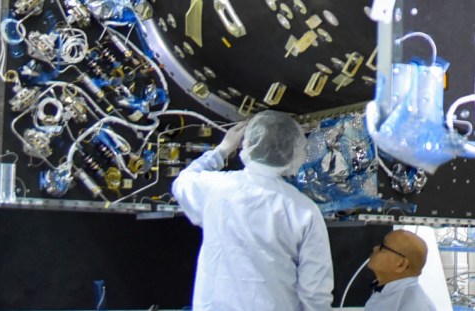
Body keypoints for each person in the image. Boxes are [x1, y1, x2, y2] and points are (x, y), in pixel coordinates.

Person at [174, 111, 332, 311]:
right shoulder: (304, 211)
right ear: (296, 151)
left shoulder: (216, 188)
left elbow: (182, 183)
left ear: (248, 143)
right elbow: (315, 292)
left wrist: (222, 150)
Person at [363, 229, 438, 311]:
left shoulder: (414, 306)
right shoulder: (391, 293)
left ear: (401, 264)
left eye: (383, 247)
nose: (375, 248)